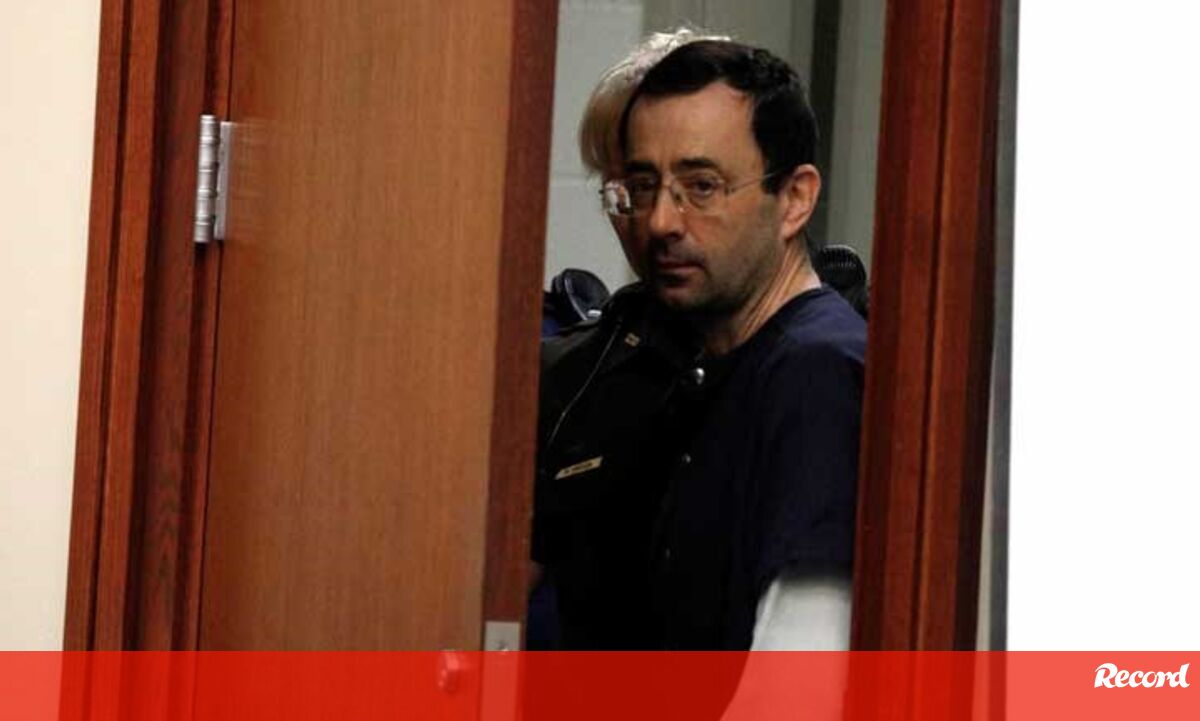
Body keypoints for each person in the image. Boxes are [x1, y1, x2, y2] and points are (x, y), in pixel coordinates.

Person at [532, 38, 865, 652]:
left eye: (702, 186)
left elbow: (801, 678)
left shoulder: (815, 370)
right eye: (642, 186)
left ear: (795, 199)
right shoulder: (709, 371)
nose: (661, 222)